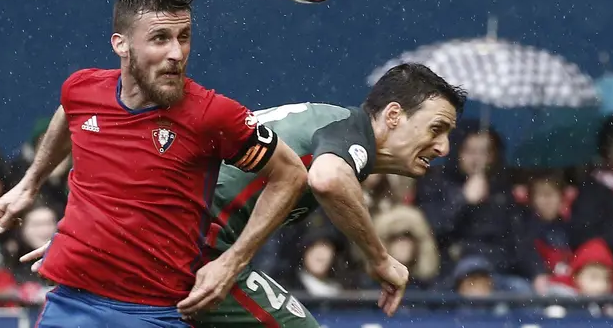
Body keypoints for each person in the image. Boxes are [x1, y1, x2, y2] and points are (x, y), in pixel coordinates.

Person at [23, 63, 468, 326]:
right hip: (193, 254)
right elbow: (328, 179)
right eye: (437, 128)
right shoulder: (348, 138)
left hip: (172, 241)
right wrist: (380, 259)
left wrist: (103, 230)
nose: (445, 146)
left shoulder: (328, 122)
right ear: (392, 115)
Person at [0, 0, 309, 328]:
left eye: (183, 37)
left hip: (158, 313)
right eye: (160, 38)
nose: (176, 53)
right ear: (121, 45)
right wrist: (30, 184)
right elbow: (69, 111)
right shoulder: (83, 88)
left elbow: (290, 173)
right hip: (71, 302)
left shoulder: (213, 114)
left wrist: (232, 261)